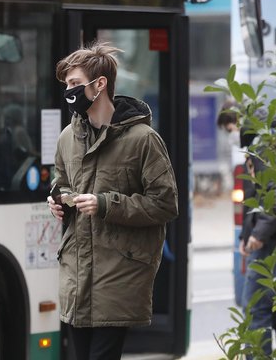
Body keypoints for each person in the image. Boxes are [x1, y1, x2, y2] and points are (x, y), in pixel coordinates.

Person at [47, 42, 178, 360]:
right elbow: (62, 182)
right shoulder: (68, 137)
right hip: (77, 276)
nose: (69, 91)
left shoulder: (143, 139)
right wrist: (57, 200)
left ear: (99, 84)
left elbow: (165, 203)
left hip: (119, 275)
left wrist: (105, 204)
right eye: (67, 85)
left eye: (75, 83)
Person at [218, 103, 276, 358]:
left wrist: (258, 235)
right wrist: (246, 235)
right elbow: (257, 198)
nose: (232, 135)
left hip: (273, 239)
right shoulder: (269, 142)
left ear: (237, 122)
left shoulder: (266, 146)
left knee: (255, 309)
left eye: (229, 129)